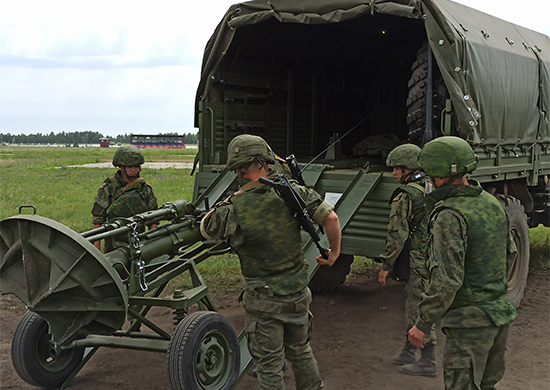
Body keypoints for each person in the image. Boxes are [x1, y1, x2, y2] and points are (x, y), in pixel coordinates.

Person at [200, 134, 341, 390]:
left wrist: (230, 199)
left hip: (263, 300)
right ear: (265, 162)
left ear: (238, 168)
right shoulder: (292, 193)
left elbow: (207, 228)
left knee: (269, 365)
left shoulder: (233, 208)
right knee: (301, 351)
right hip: (297, 293)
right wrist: (333, 253)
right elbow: (331, 219)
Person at [408, 136, 517, 389]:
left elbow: (447, 277)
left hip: (469, 325)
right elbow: (509, 255)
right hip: (499, 317)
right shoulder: (492, 203)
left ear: (440, 175)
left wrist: (422, 322)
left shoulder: (449, 214)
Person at [377, 144, 437, 377]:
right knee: (418, 303)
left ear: (409, 169)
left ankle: (428, 360)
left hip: (416, 261)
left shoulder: (405, 196)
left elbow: (397, 235)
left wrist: (386, 266)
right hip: (431, 257)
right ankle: (408, 351)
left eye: (397, 169)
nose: (393, 174)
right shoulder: (430, 188)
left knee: (417, 306)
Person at [91, 145, 158, 251]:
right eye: (130, 166)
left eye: (137, 166)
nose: (134, 169)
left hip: (139, 244)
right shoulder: (108, 188)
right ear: (121, 167)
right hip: (114, 246)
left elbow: (153, 220)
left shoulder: (145, 189)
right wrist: (96, 251)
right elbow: (98, 221)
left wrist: (149, 245)